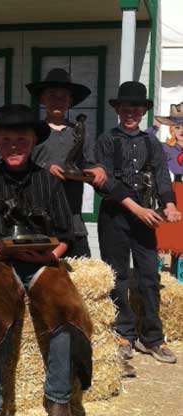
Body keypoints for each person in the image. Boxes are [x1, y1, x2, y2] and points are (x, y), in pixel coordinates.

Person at [0, 105, 93, 416]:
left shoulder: (49, 181)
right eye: (6, 140)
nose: (14, 146)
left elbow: (66, 234)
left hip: (41, 261)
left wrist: (51, 255)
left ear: (33, 142)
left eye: (21, 139)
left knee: (69, 308)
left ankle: (57, 397)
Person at [96, 81, 181, 377]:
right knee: (117, 276)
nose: (131, 112)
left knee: (148, 276)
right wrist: (137, 207)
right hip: (115, 217)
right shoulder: (106, 140)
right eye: (126, 108)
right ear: (118, 110)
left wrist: (168, 204)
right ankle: (124, 333)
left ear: (144, 111)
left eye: (137, 108)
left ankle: (153, 337)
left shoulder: (152, 143)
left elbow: (162, 177)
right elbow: (105, 182)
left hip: (147, 218)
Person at [26, 68, 107, 257]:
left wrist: (99, 169)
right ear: (42, 99)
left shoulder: (79, 133)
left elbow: (90, 162)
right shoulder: (31, 132)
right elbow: (19, 167)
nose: (58, 100)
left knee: (82, 277)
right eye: (52, 95)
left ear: (70, 101)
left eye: (63, 97)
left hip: (73, 219)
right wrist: (45, 168)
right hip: (39, 219)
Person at [154, 103, 183, 278]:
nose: (181, 130)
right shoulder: (166, 148)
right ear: (171, 129)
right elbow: (148, 141)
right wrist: (155, 128)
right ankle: (163, 279)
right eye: (178, 126)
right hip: (171, 193)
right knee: (166, 232)